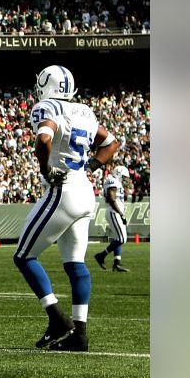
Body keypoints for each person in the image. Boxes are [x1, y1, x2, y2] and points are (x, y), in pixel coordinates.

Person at [13, 66, 122, 352]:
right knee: (75, 263)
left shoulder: (47, 107)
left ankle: (57, 319)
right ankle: (80, 334)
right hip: (86, 191)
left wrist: (46, 170)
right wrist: (93, 165)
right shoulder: (85, 111)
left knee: (24, 255)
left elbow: (44, 138)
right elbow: (111, 143)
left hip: (62, 189)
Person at [94, 165, 131, 273]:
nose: (125, 180)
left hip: (115, 211)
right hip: (113, 211)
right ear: (119, 173)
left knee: (117, 238)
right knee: (122, 238)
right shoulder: (112, 180)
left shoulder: (116, 182)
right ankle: (101, 255)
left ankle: (117, 264)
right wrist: (121, 214)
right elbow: (111, 198)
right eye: (123, 177)